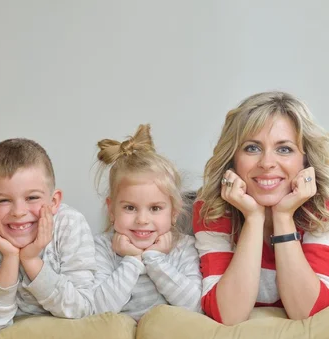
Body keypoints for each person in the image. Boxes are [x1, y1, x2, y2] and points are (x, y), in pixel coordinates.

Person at [194, 91, 329, 325]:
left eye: (284, 149)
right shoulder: (211, 209)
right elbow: (228, 314)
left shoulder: (323, 209)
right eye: (252, 148)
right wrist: (254, 218)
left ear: (305, 161)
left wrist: (283, 216)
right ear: (233, 159)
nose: (267, 163)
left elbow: (307, 312)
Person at [0, 138, 96, 332]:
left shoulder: (69, 224)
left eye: (32, 198)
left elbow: (82, 308)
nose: (18, 211)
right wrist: (10, 257)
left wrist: (31, 260)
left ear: (54, 201)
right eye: (3, 200)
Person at [92, 124, 202, 321]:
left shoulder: (184, 247)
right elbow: (98, 309)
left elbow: (195, 305)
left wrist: (154, 259)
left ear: (174, 213)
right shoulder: (101, 248)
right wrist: (132, 260)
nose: (142, 220)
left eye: (155, 208)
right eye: (130, 208)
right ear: (111, 210)